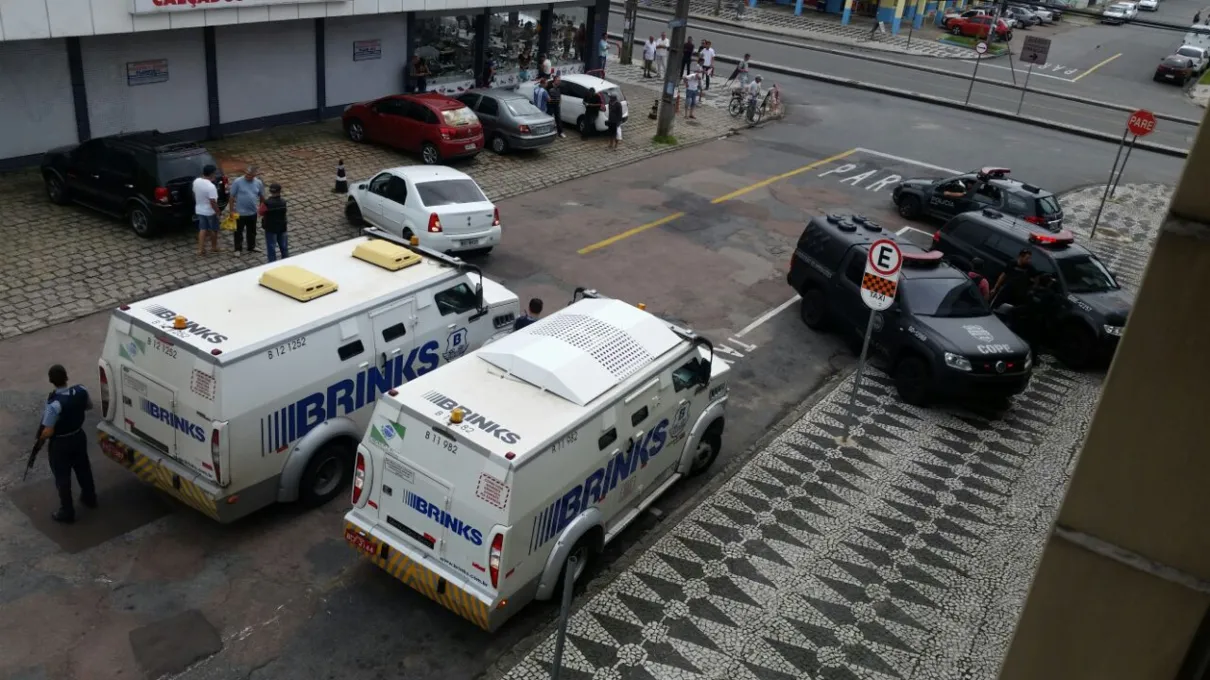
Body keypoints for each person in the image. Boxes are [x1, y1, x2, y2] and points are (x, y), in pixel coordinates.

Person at [39, 364, 97, 524]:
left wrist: (41, 440)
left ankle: (67, 510)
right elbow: (89, 407)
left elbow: (48, 430)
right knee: (83, 469)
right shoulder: (81, 391)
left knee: (62, 477)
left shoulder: (54, 405)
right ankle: (90, 498)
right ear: (66, 377)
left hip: (60, 444)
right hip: (78, 436)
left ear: (51, 381)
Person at [229, 165, 264, 255]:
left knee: (252, 231)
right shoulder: (237, 182)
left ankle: (251, 246)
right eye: (247, 174)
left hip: (252, 212)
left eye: (250, 175)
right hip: (239, 213)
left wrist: (261, 208)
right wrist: (231, 211)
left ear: (254, 175)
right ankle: (238, 249)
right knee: (238, 232)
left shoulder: (258, 183)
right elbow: (232, 197)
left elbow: (262, 196)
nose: (248, 176)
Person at [193, 164, 220, 256]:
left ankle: (200, 250)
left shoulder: (196, 181)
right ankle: (214, 247)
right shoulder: (211, 187)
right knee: (213, 229)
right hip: (210, 212)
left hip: (199, 210)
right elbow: (213, 202)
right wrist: (218, 212)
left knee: (202, 229)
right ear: (212, 174)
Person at [261, 183, 288, 262]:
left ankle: (272, 264)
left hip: (271, 228)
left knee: (271, 248)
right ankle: (286, 262)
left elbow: (260, 212)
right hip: (282, 227)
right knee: (284, 247)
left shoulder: (267, 203)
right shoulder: (283, 202)